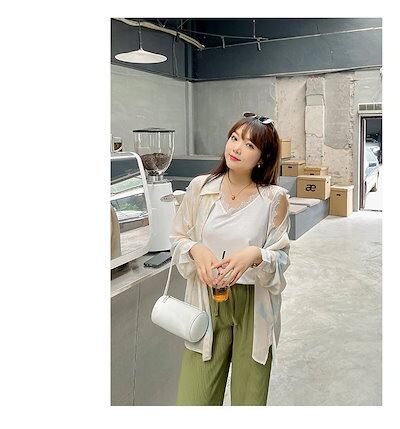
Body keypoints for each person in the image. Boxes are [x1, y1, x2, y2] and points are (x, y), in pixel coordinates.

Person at [169, 112, 291, 406]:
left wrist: (255, 255)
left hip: (254, 305)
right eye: (234, 138)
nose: (236, 148)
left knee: (249, 399)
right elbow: (177, 237)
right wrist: (196, 250)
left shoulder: (274, 198)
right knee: (194, 399)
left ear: (262, 157)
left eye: (249, 145)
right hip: (206, 300)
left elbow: (281, 258)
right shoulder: (201, 187)